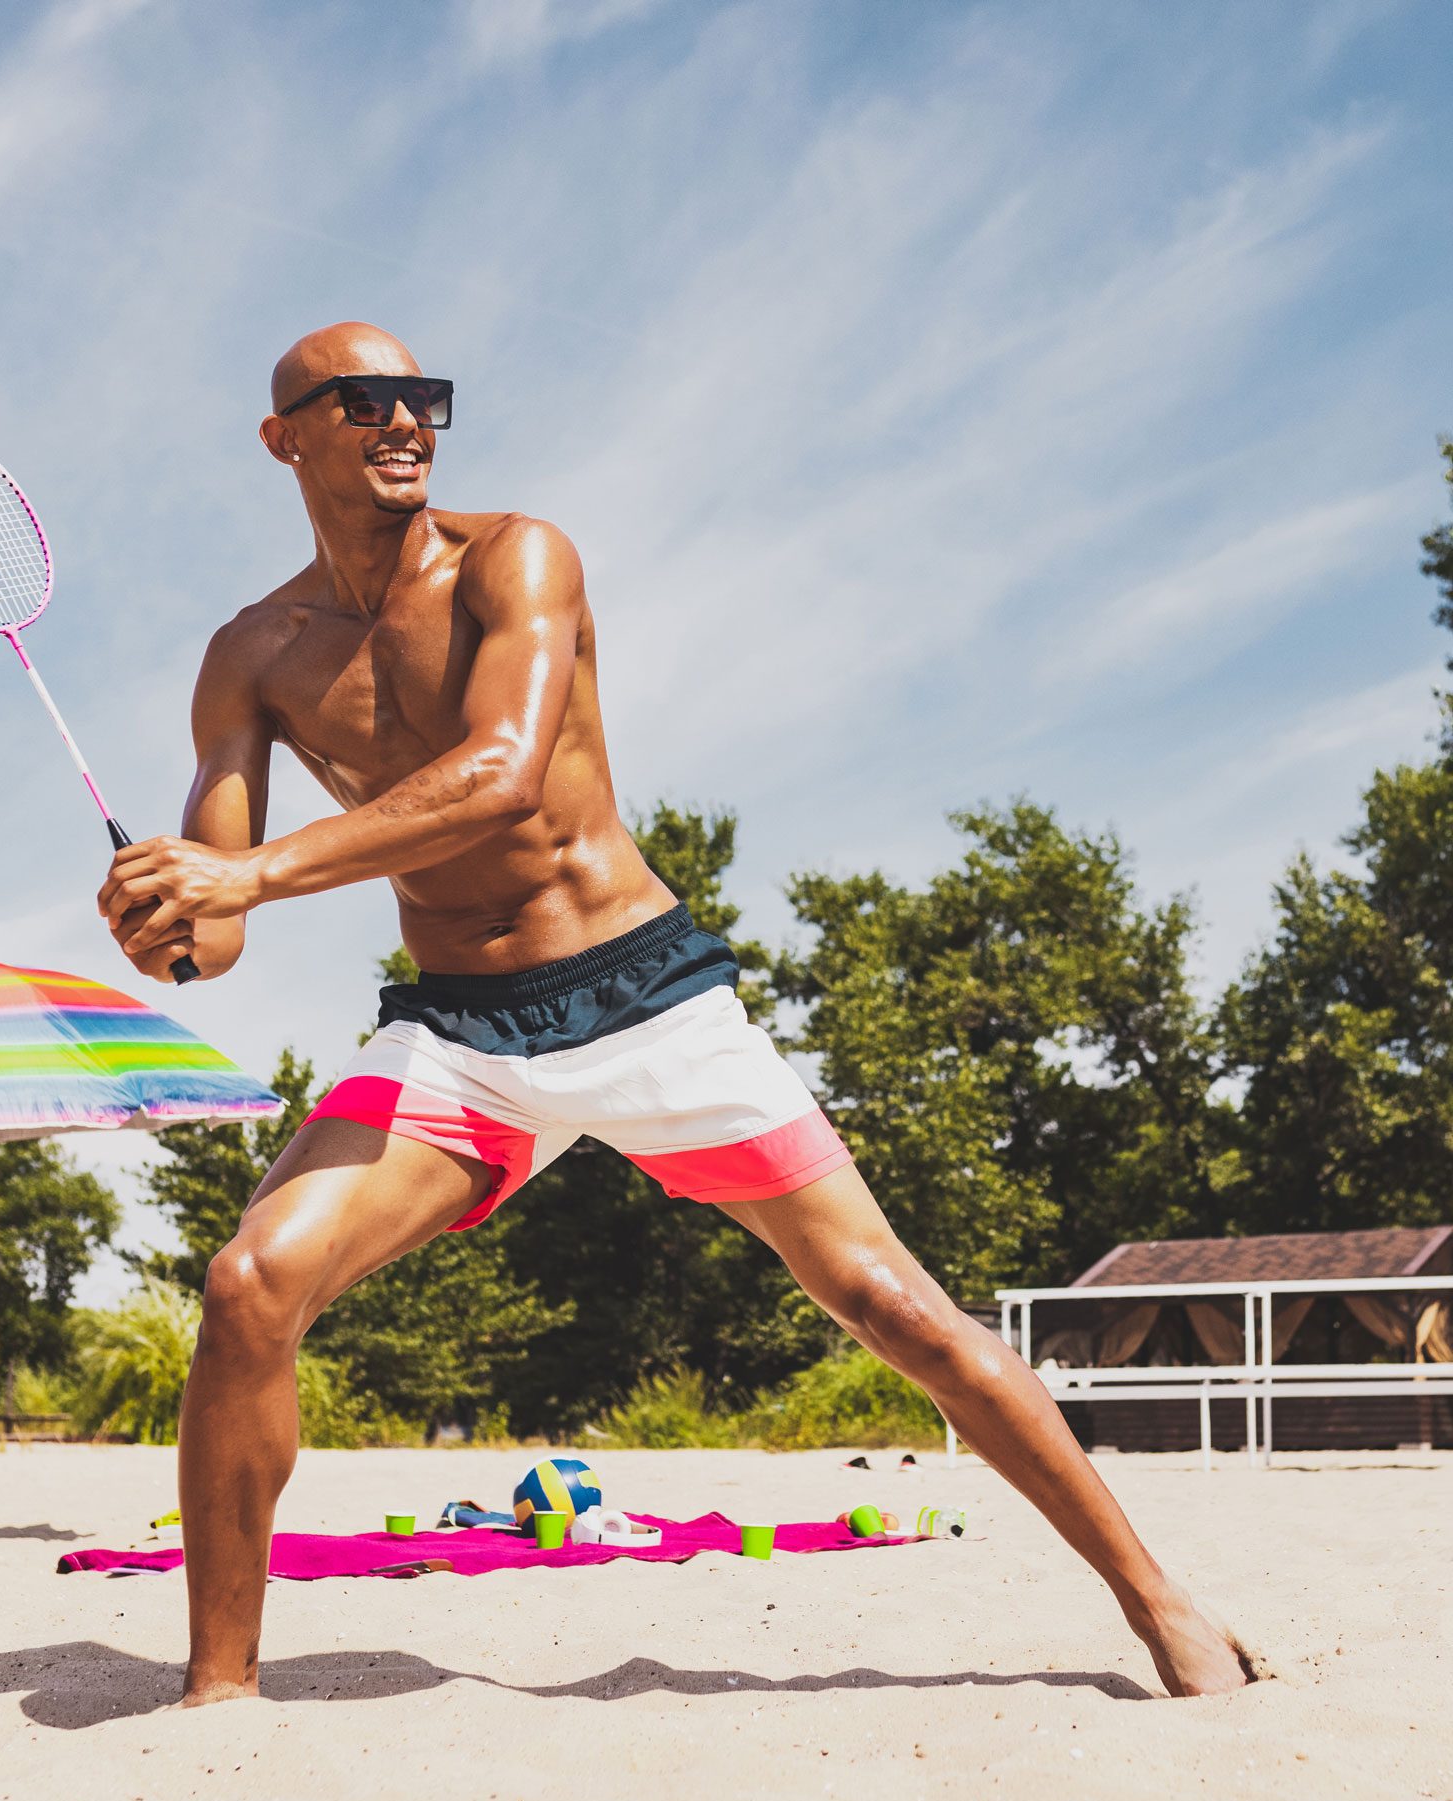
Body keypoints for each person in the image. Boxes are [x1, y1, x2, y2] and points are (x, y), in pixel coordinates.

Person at [97, 321, 1259, 1706]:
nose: (407, 422)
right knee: (247, 1284)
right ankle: (218, 1694)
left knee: (897, 1309)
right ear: (288, 436)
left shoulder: (518, 557)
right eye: (366, 401)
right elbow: (213, 935)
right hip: (463, 1034)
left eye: (426, 398)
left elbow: (504, 772)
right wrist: (168, 908)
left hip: (643, 998)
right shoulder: (253, 654)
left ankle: (1159, 1604)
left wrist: (250, 873)